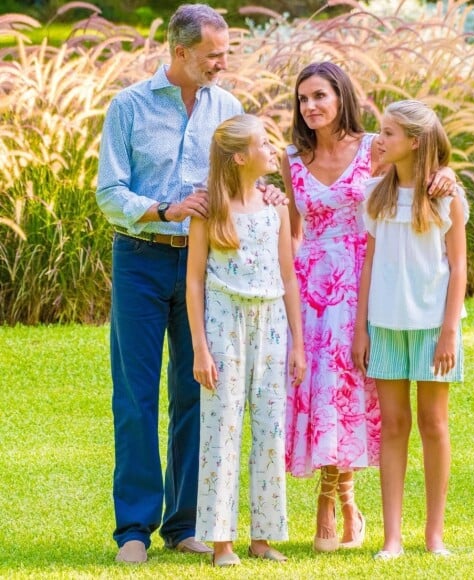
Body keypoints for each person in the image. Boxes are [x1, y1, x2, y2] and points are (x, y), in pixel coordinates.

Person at [95, 4, 283, 564]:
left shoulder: (227, 108)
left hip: (211, 272)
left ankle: (183, 524)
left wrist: (265, 196)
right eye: (213, 56)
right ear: (180, 52)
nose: (222, 65)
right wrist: (164, 208)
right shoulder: (128, 106)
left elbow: (244, 175)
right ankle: (134, 527)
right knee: (134, 396)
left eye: (225, 55)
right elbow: (110, 192)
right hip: (141, 259)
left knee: (198, 393)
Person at [282, 62, 457, 552]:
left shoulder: (372, 147)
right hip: (311, 285)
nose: (310, 107)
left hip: (366, 280)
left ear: (341, 96)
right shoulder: (291, 157)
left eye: (319, 96)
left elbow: (419, 162)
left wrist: (446, 173)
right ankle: (328, 498)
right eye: (302, 99)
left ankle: (346, 498)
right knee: (318, 392)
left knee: (353, 395)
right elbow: (292, 229)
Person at [186, 114, 306, 567]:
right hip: (223, 326)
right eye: (262, 143)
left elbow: (288, 278)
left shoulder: (275, 208)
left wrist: (297, 344)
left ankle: (264, 535)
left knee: (271, 428)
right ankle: (221, 542)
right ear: (240, 157)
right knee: (222, 429)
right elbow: (194, 282)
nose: (272, 148)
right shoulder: (211, 213)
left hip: (271, 322)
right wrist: (200, 346)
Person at [352, 99, 468, 560]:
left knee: (433, 424)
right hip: (385, 324)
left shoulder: (446, 195)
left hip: (432, 327)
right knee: (394, 425)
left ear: (414, 142)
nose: (379, 140)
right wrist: (361, 328)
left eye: (389, 133)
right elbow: (368, 264)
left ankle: (434, 536)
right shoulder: (374, 195)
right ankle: (392, 538)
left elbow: (458, 267)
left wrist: (449, 332)